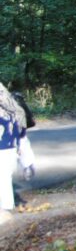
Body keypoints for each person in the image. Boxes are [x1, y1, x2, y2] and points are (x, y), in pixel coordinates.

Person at [0, 81, 31, 225]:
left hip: (5, 152)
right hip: (10, 151)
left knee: (3, 181)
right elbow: (23, 138)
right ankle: (5, 211)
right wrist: (28, 162)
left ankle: (5, 214)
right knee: (4, 180)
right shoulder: (16, 111)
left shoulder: (12, 112)